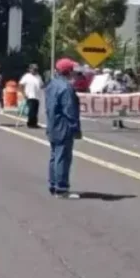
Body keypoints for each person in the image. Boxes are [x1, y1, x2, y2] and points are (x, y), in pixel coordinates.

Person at [45, 58, 82, 199]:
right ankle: (61, 188)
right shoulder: (66, 88)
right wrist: (75, 128)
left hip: (52, 124)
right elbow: (70, 111)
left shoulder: (51, 84)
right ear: (68, 71)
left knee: (54, 156)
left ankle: (53, 185)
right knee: (63, 157)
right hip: (63, 126)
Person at [19, 64, 43, 128]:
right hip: (30, 95)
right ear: (30, 69)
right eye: (34, 69)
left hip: (37, 96)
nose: (35, 70)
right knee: (31, 110)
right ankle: (30, 123)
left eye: (36, 69)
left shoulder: (39, 77)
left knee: (35, 110)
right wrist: (24, 94)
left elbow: (41, 85)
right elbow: (21, 85)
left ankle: (34, 123)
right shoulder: (27, 76)